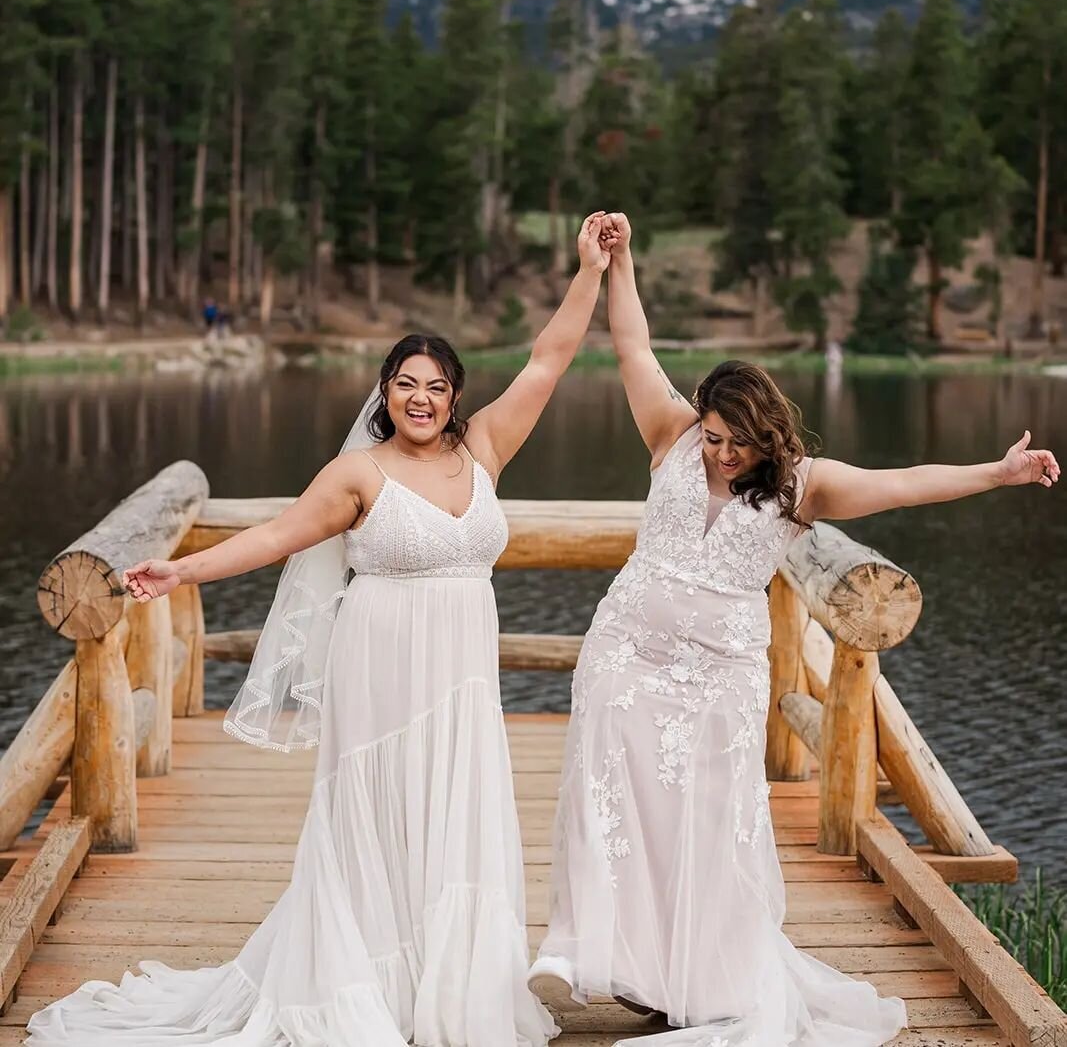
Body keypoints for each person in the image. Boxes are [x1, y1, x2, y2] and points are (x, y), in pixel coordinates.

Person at [26, 212, 618, 1047]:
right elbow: (276, 537)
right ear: (384, 391)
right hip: (380, 666)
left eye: (436, 385)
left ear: (455, 396)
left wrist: (589, 270)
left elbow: (549, 358)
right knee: (377, 814)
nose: (421, 398)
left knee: (455, 814)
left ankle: (447, 994)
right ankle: (364, 983)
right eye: (405, 383)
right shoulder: (356, 473)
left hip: (461, 676)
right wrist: (183, 570)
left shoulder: (484, 449)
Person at [528, 212, 1059, 1047]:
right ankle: (616, 957)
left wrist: (997, 471)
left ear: (767, 436)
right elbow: (633, 347)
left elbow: (903, 484)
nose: (720, 456)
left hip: (719, 670)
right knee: (614, 803)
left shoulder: (803, 486)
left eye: (738, 445)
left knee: (706, 819)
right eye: (713, 437)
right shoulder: (669, 435)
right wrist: (618, 263)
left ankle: (699, 975)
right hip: (625, 651)